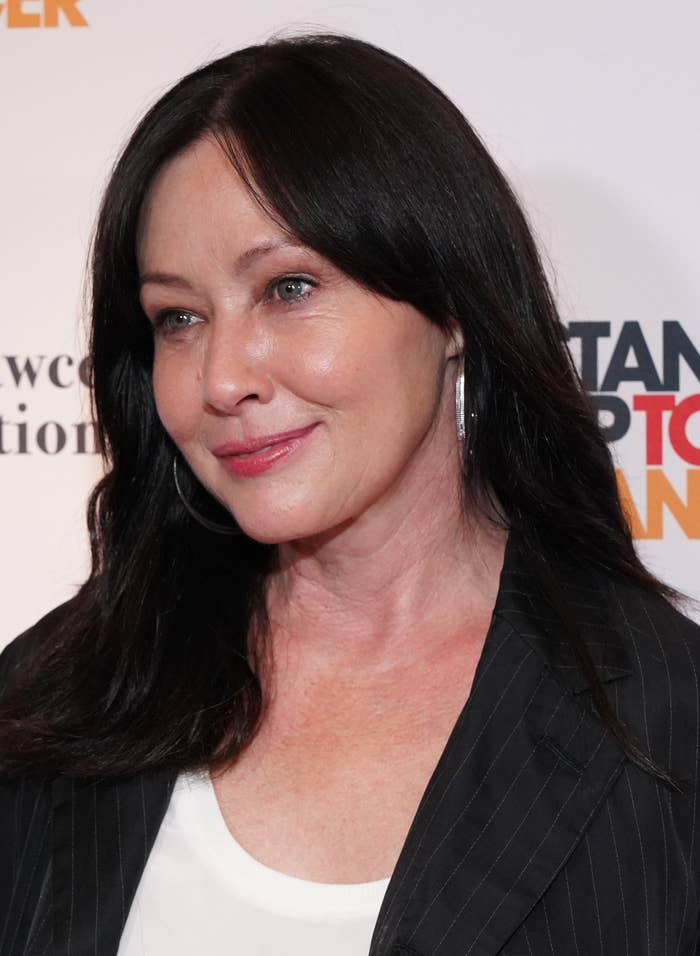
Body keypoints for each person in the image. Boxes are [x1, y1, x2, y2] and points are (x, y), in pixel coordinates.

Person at [1, 30, 699, 956]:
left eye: (289, 288)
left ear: (451, 306)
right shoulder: (55, 694)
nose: (221, 377)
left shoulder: (668, 724)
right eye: (178, 316)